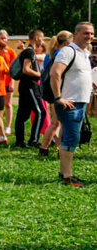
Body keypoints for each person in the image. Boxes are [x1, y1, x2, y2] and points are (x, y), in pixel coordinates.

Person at [47, 21, 94, 186]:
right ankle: (67, 175)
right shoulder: (68, 51)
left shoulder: (84, 53)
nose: (89, 36)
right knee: (71, 138)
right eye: (86, 33)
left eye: (92, 34)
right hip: (70, 103)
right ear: (76, 34)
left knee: (72, 138)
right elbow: (55, 73)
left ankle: (65, 173)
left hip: (80, 102)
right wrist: (59, 97)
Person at [13, 30, 46, 150]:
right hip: (30, 86)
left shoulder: (28, 51)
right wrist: (39, 75)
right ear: (36, 38)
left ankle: (20, 141)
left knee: (22, 115)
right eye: (42, 38)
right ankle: (33, 140)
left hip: (25, 86)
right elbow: (26, 69)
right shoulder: (29, 51)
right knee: (41, 112)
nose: (43, 41)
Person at [0, 30, 17, 128]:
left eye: (5, 38)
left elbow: (13, 68)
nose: (3, 40)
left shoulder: (11, 52)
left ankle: (8, 126)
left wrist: (12, 83)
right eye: (1, 38)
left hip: (8, 80)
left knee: (8, 104)